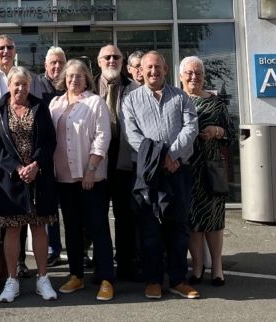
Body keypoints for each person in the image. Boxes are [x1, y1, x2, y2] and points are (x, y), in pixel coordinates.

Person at [121, 50, 200, 299]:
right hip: (148, 173)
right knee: (149, 229)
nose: (153, 71)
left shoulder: (181, 98)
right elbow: (131, 134)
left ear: (165, 69)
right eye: (148, 68)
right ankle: (153, 280)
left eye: (158, 67)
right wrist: (157, 158)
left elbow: (191, 128)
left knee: (178, 227)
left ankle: (178, 280)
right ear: (140, 71)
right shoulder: (131, 100)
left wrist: (172, 155)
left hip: (178, 171)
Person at [0, 66, 58, 303]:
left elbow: (50, 140)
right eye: (16, 84)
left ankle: (42, 278)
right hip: (11, 180)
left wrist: (36, 164)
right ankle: (12, 280)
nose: (20, 88)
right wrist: (16, 168)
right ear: (8, 85)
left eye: (24, 84)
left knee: (39, 227)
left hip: (39, 178)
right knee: (13, 229)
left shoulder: (40, 106)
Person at [49, 59, 115, 301]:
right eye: (70, 76)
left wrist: (90, 169)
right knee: (73, 230)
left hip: (91, 178)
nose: (74, 80)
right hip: (64, 179)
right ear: (63, 79)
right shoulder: (55, 104)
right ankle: (76, 275)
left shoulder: (95, 102)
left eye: (79, 76)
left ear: (87, 78)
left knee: (98, 228)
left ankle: (106, 278)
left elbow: (102, 137)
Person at [0, 34, 42, 277]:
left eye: (9, 47)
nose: (5, 51)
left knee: (28, 216)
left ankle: (20, 262)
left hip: (29, 162)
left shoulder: (29, 78)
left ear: (15, 51)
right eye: (0, 48)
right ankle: (0, 268)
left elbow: (38, 113)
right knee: (1, 217)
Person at [179, 56, 236, 287]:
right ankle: (198, 267)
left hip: (211, 169)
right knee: (192, 220)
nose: (194, 77)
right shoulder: (177, 100)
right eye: (189, 73)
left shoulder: (216, 103)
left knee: (213, 220)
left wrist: (217, 130)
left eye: (199, 73)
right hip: (186, 169)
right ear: (181, 76)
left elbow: (232, 134)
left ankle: (218, 268)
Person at [94, 44, 140, 281]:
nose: (112, 60)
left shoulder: (135, 89)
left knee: (125, 215)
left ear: (123, 61)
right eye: (107, 57)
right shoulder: (89, 88)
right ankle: (100, 264)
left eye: (116, 57)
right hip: (97, 163)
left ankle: (125, 263)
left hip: (124, 162)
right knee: (97, 216)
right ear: (99, 61)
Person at [39, 46, 67, 267]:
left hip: (69, 153)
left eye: (60, 62)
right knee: (50, 207)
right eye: (53, 63)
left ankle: (81, 249)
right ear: (45, 65)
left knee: (72, 205)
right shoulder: (37, 86)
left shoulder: (72, 83)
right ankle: (53, 248)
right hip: (46, 154)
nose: (57, 66)